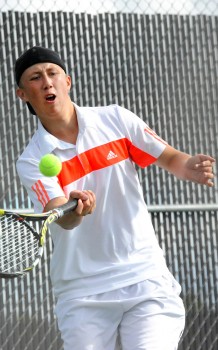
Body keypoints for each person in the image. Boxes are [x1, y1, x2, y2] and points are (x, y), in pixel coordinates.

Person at [15, 46, 215, 350]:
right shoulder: (32, 160)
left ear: (67, 81)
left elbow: (170, 157)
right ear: (23, 95)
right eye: (35, 77)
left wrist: (189, 166)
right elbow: (59, 215)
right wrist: (76, 210)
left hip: (144, 278)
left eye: (52, 73)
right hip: (82, 293)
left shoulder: (116, 119)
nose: (46, 82)